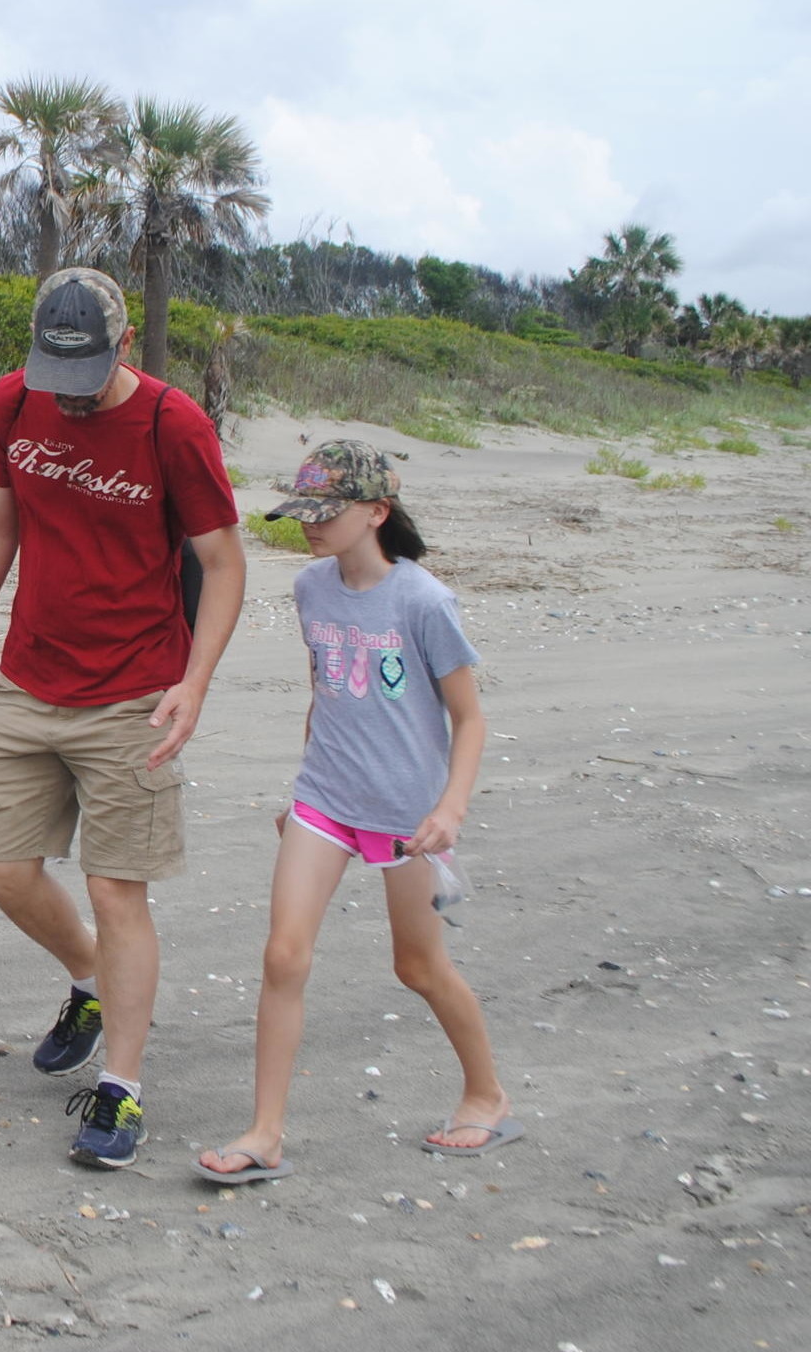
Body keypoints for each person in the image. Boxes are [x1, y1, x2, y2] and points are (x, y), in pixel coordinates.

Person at [0, 267, 247, 1169]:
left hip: (135, 691)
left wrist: (196, 679)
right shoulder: (13, 403)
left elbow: (223, 563)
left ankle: (121, 1088)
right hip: (31, 678)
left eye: (82, 379)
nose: (63, 400)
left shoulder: (170, 424)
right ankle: (89, 982)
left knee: (117, 890)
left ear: (122, 346)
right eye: (49, 375)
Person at [193, 441, 511, 1181]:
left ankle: (486, 1094)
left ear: (376, 512)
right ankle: (265, 1133)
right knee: (283, 956)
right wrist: (300, 791)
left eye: (325, 515)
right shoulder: (311, 588)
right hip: (325, 799)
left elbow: (469, 719)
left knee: (419, 966)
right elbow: (325, 693)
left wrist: (450, 810)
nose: (309, 527)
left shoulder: (424, 601)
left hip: (408, 815)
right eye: (303, 513)